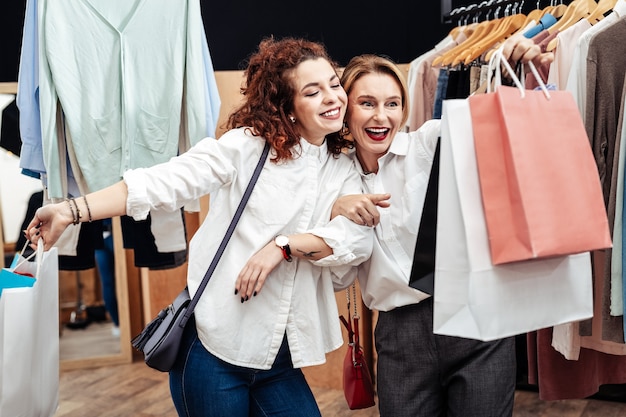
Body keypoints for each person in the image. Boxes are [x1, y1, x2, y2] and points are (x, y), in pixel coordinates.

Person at [26, 37, 373, 417]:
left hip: (280, 360)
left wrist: (283, 246)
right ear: (287, 106)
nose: (332, 97)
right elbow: (163, 182)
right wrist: (72, 210)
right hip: (213, 351)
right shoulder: (247, 147)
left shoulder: (343, 165)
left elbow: (354, 243)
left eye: (334, 85)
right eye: (313, 91)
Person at [330, 35, 554, 417]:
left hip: (474, 316)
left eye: (392, 104)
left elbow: (487, 115)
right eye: (367, 103)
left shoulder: (429, 142)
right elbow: (338, 277)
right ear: (345, 111)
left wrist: (513, 67)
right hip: (401, 337)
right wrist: (337, 210)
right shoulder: (333, 180)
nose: (381, 116)